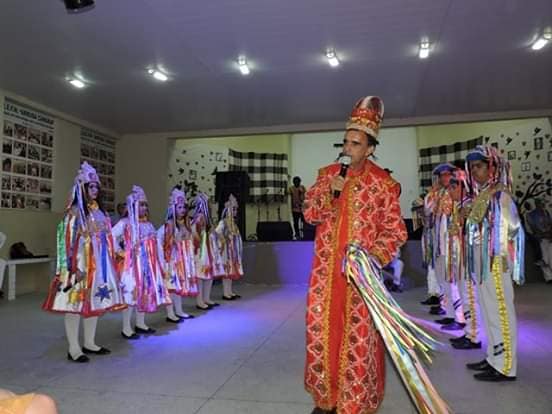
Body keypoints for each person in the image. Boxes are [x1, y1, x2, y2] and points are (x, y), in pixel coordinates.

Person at [303, 96, 407, 413]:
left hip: (360, 279)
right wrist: (329, 193)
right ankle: (327, 399)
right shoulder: (327, 175)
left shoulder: (384, 184)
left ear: (370, 148)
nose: (348, 149)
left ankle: (354, 401)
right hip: (326, 276)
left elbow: (395, 232)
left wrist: (371, 259)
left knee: (359, 339)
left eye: (356, 143)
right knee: (324, 334)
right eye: (346, 142)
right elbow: (310, 214)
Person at [42, 162, 123, 362]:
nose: (95, 190)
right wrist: (72, 267)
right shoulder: (75, 212)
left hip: (98, 266)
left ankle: (89, 342)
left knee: (94, 302)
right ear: (82, 188)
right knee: (74, 305)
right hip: (79, 265)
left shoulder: (100, 212)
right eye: (90, 186)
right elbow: (66, 240)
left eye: (96, 187)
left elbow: (107, 238)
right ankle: (74, 348)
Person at [464, 145, 524, 382]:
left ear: (492, 167)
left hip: (496, 262)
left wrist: (499, 258)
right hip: (483, 264)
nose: (474, 171)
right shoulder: (484, 194)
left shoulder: (501, 195)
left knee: (500, 312)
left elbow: (512, 230)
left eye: (478, 166)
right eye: (472, 168)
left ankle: (506, 366)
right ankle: (493, 357)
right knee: (488, 311)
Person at [112, 185, 171, 339]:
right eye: (141, 205)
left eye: (145, 205)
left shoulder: (149, 225)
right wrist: (121, 252)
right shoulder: (125, 223)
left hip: (148, 266)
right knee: (131, 294)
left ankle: (140, 323)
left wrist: (161, 263)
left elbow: (157, 245)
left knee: (144, 293)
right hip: (132, 267)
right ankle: (126, 327)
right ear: (133, 206)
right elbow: (111, 237)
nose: (144, 208)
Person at [424, 163, 466, 330]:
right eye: (441, 176)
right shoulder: (440, 193)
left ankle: (460, 318)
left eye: (447, 174)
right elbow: (428, 210)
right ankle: (449, 313)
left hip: (453, 245)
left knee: (454, 281)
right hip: (441, 244)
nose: (444, 178)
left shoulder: (459, 193)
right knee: (443, 279)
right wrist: (432, 193)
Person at [158, 187, 198, 322]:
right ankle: (170, 313)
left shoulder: (185, 224)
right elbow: (160, 240)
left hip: (181, 260)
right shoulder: (169, 225)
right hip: (171, 260)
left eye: (184, 207)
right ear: (173, 208)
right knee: (170, 286)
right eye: (179, 207)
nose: (183, 210)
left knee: (178, 286)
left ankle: (179, 311)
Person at [191, 193, 222, 310]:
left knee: (208, 274)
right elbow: (194, 232)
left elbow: (212, 232)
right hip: (201, 250)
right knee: (200, 275)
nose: (211, 205)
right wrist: (201, 239)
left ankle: (206, 298)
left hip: (208, 249)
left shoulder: (207, 218)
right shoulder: (199, 218)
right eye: (209, 203)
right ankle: (199, 300)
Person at [217, 194, 243, 300]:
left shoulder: (233, 223)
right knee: (227, 271)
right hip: (226, 251)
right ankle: (225, 293)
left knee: (231, 271)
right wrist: (224, 238)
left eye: (236, 209)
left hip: (233, 251)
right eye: (233, 209)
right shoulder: (223, 222)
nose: (235, 211)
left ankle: (230, 291)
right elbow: (217, 232)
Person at [525, 198, 552, 283]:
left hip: (548, 237)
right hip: (539, 237)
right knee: (543, 257)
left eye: (542, 203)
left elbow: (550, 224)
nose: (542, 205)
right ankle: (548, 277)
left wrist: (549, 233)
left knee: (549, 257)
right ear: (536, 204)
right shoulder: (530, 214)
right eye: (540, 203)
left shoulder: (546, 212)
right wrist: (542, 234)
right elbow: (533, 227)